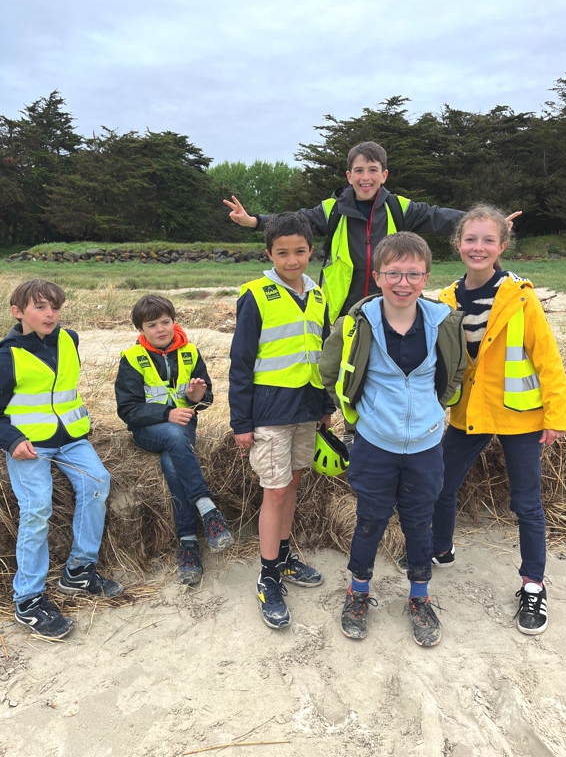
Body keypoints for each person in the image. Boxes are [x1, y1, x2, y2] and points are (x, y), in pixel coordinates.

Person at [319, 232, 467, 647]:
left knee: (419, 523)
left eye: (414, 274)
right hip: (374, 444)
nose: (404, 283)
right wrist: (358, 415)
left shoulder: (444, 323)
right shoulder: (356, 323)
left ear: (426, 277)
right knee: (370, 519)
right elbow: (329, 372)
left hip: (425, 446)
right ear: (378, 276)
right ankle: (358, 592)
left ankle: (419, 597)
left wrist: (432, 411)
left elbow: (455, 373)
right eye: (394, 273)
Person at [430, 205, 566, 636]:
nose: (479, 247)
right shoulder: (445, 300)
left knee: (526, 503)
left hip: (520, 417)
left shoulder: (521, 297)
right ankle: (440, 549)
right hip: (469, 413)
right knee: (440, 485)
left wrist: (556, 415)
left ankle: (533, 584)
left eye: (488, 240)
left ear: (502, 246)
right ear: (458, 245)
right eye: (471, 239)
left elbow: (547, 359)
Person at [224, 141, 520, 324]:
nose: (366, 177)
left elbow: (437, 216)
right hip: (341, 310)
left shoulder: (398, 207)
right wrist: (254, 221)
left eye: (373, 170)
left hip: (390, 304)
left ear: (384, 175)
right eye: (359, 170)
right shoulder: (332, 209)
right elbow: (293, 222)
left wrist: (488, 223)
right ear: (349, 175)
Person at [229, 212, 336, 629]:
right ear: (269, 254)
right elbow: (241, 362)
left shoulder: (319, 295)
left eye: (300, 252)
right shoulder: (255, 295)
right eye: (282, 253)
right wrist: (241, 422)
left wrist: (326, 405)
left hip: (306, 407)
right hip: (270, 410)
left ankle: (285, 557)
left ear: (311, 251)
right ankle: (268, 576)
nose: (292, 260)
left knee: (292, 484)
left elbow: (323, 356)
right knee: (274, 492)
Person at [1, 280, 122, 640]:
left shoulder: (70, 339)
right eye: (40, 307)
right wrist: (11, 440)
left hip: (71, 438)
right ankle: (27, 599)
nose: (50, 314)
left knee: (98, 482)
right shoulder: (6, 357)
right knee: (37, 506)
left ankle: (79, 571)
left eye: (55, 306)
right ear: (18, 312)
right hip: (29, 444)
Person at [115, 295, 234, 585]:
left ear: (173, 321)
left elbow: (206, 399)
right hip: (148, 430)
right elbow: (127, 410)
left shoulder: (191, 352)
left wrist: (197, 397)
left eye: (165, 322)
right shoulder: (131, 359)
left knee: (172, 462)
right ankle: (207, 508)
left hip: (183, 427)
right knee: (172, 435)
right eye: (152, 325)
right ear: (141, 329)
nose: (160, 329)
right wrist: (166, 413)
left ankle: (188, 541)